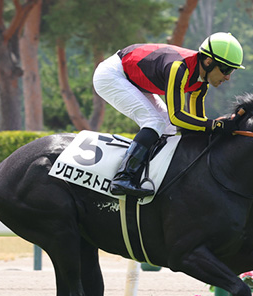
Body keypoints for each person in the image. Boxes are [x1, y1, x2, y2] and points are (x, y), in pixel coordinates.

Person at [93, 32, 245, 198]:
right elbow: (177, 117)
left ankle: (152, 176)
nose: (228, 77)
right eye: (226, 69)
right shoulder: (179, 68)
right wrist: (216, 126)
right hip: (112, 74)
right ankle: (123, 178)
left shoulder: (201, 84)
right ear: (208, 62)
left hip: (134, 79)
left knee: (169, 129)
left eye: (232, 71)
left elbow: (197, 126)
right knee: (155, 122)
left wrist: (219, 128)